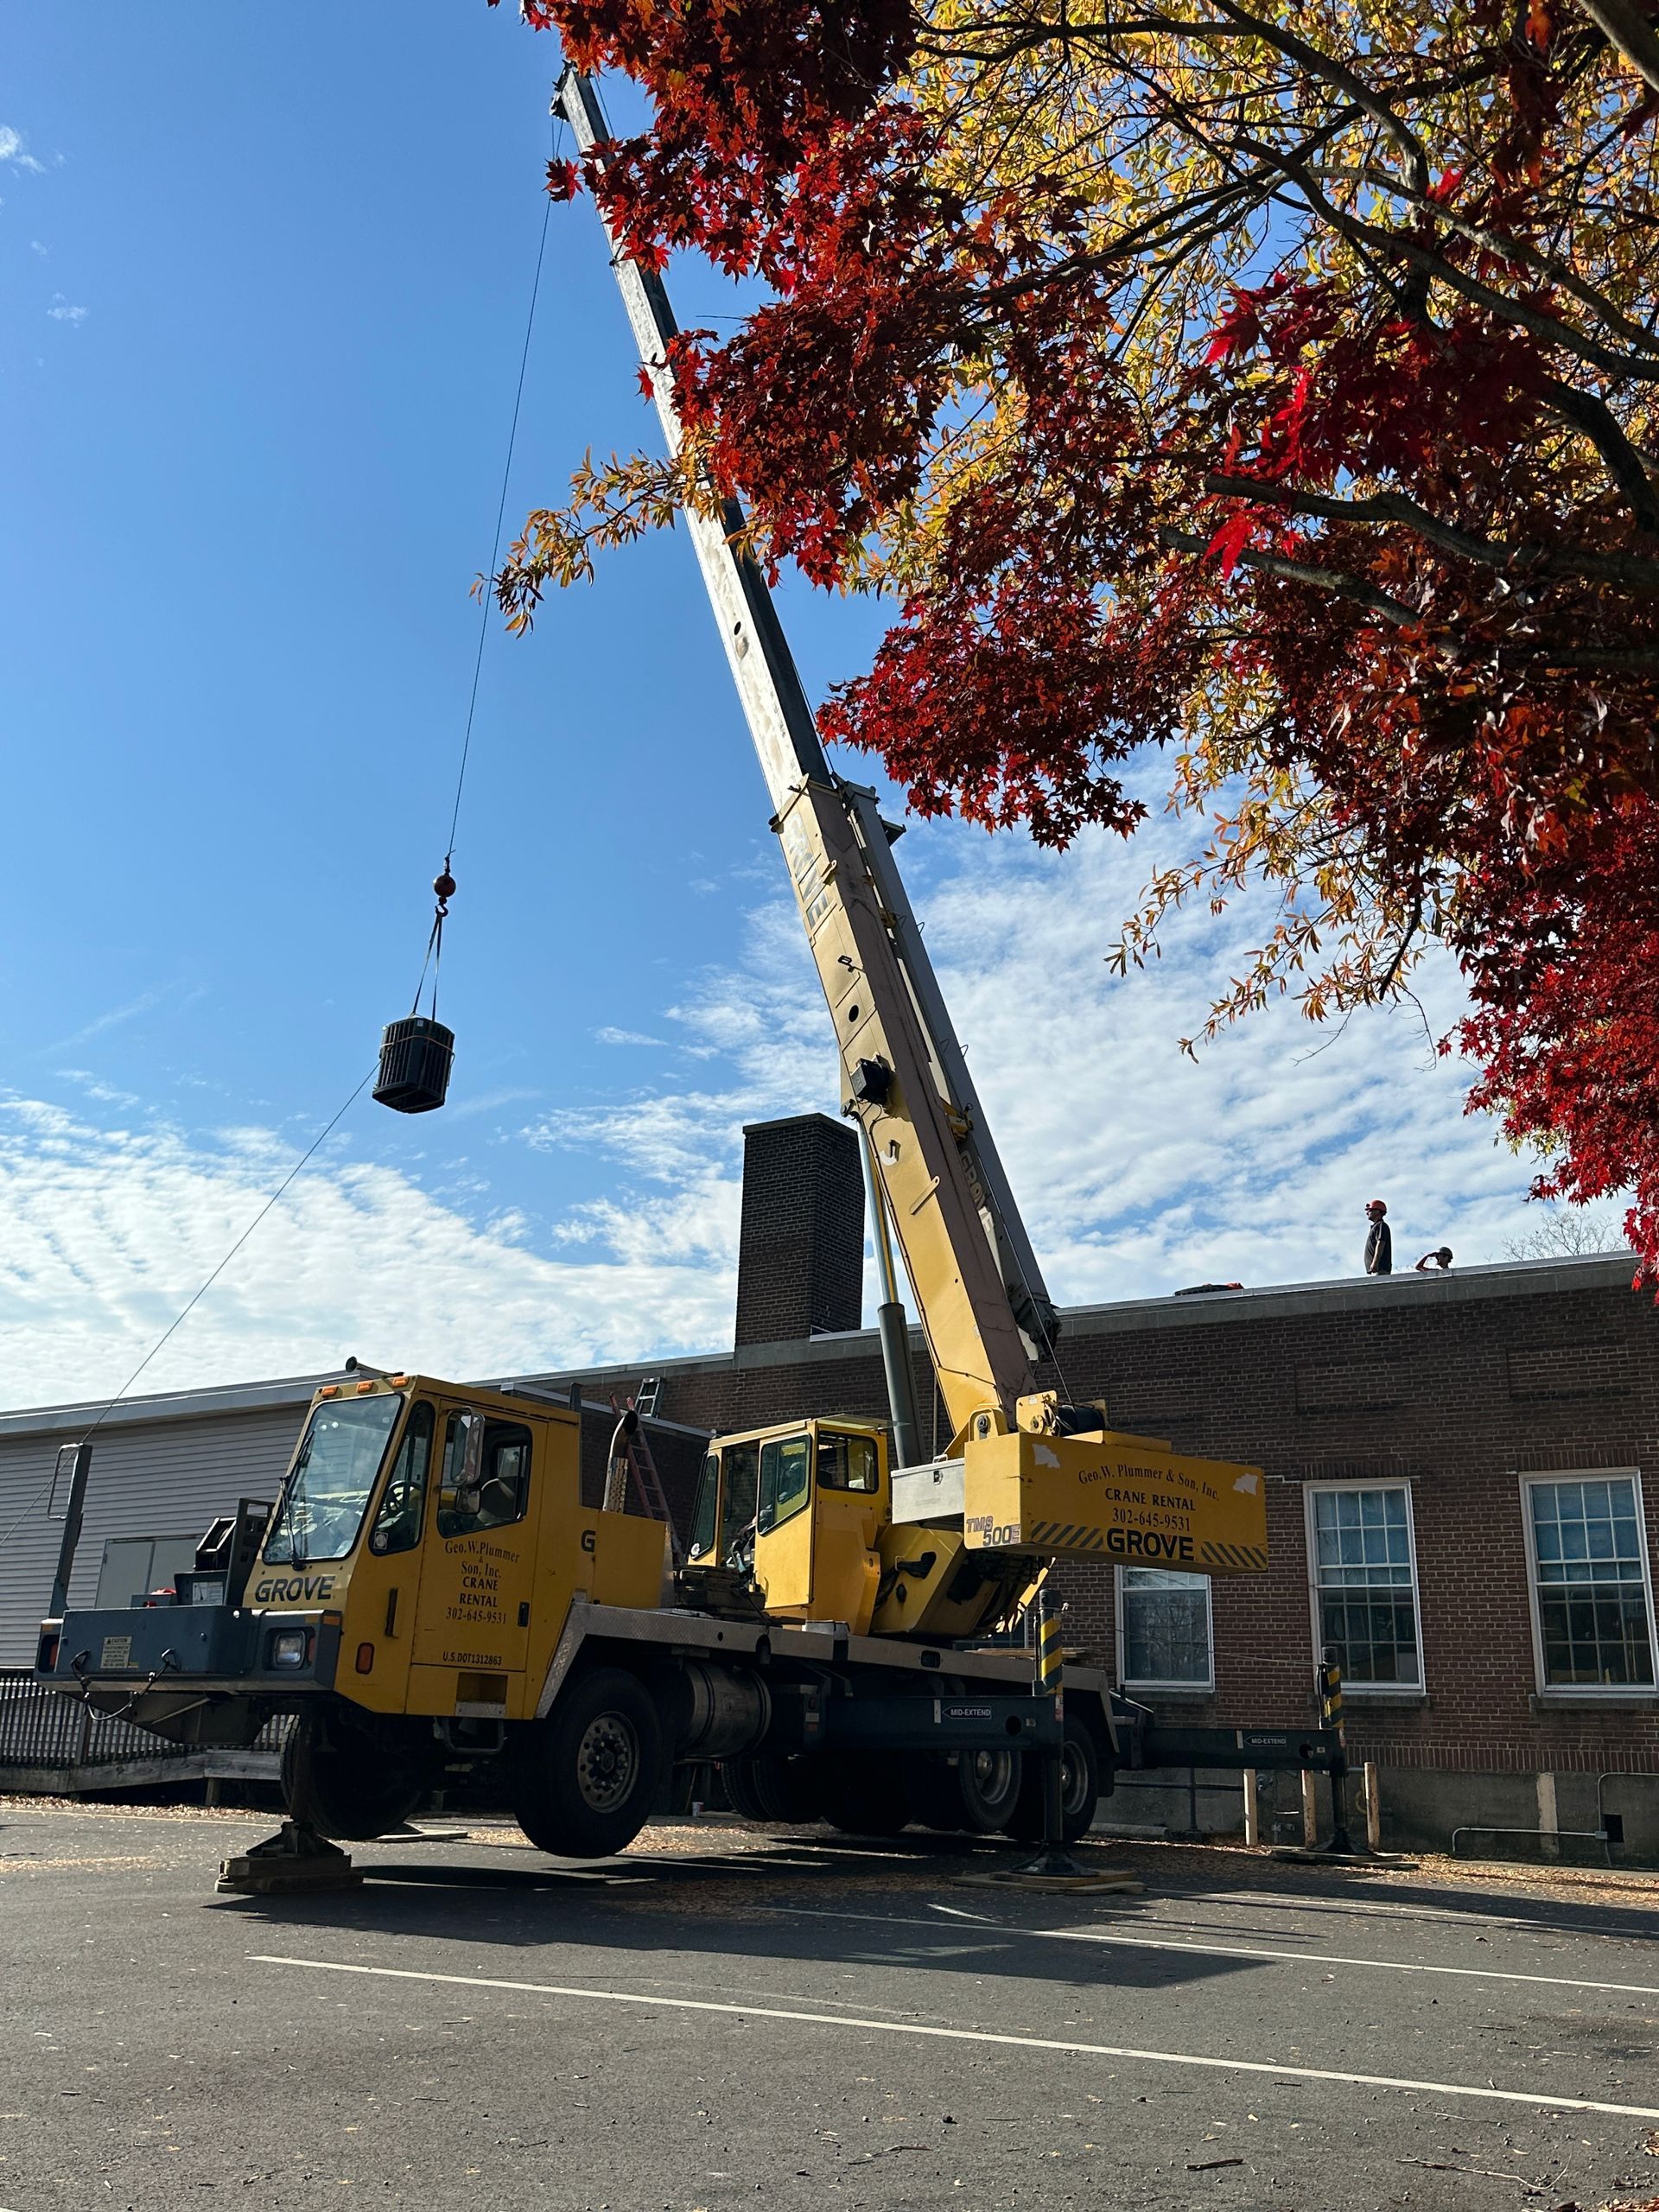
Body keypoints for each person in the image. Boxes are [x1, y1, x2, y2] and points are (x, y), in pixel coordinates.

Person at [1364, 1199, 1393, 1275]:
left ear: (1377, 1211)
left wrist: (1375, 1263)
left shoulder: (1381, 1225)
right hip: (1375, 1271)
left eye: (1370, 1210)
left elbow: (1380, 1243)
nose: (1367, 1213)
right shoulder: (1376, 1226)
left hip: (1379, 1270)